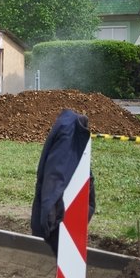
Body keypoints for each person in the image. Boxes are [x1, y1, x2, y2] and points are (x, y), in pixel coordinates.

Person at [30, 109, 96, 256]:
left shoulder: (66, 130)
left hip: (57, 216)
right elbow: (56, 176)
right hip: (58, 221)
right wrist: (49, 214)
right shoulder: (69, 135)